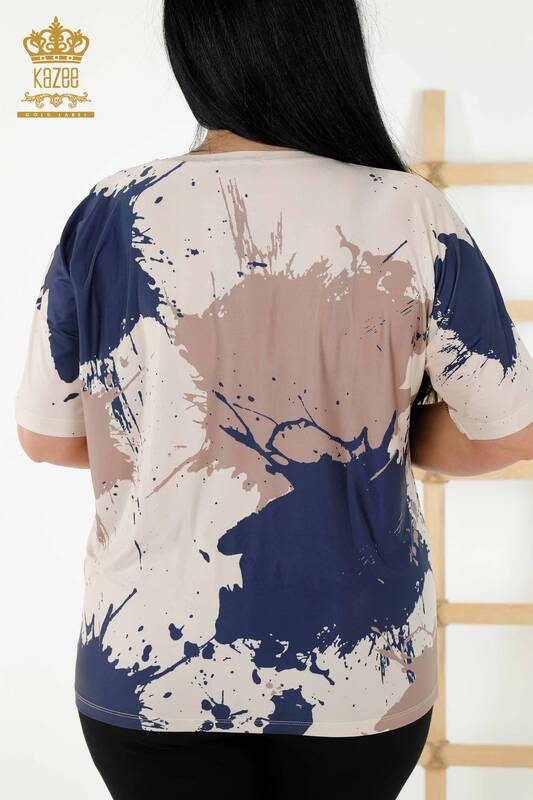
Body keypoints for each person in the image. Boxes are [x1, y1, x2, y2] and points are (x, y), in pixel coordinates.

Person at [14, 1, 533, 798]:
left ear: (195, 48)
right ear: (328, 44)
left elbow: (47, 438)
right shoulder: (407, 209)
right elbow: (507, 431)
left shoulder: (112, 212)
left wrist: (168, 443)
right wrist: (376, 445)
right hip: (361, 671)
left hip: (148, 662)